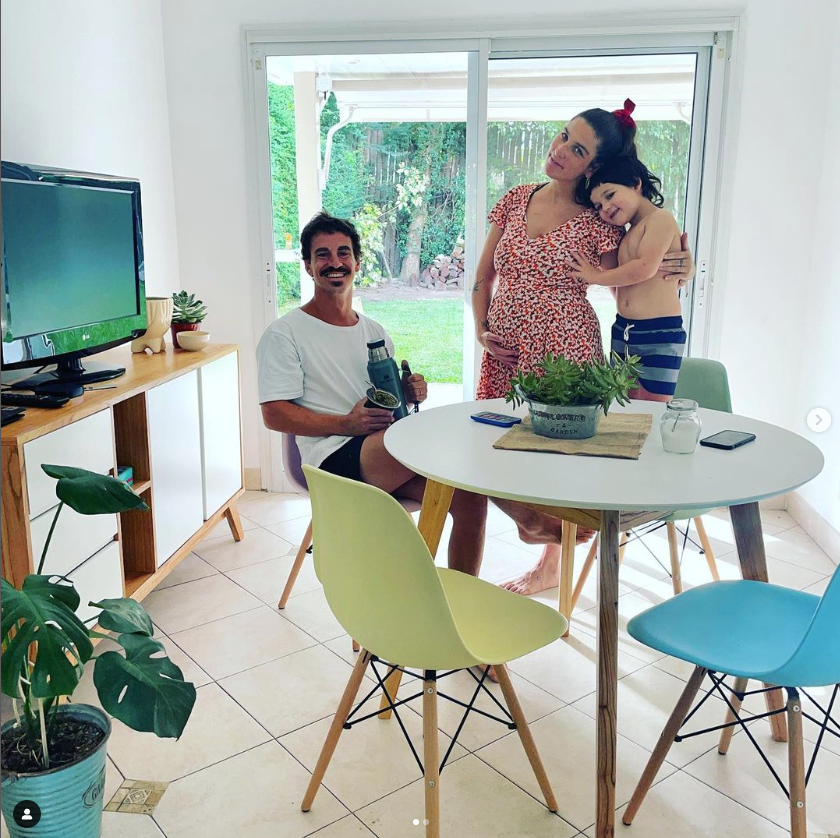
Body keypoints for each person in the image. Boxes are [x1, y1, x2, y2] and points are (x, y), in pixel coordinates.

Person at [472, 99, 693, 596]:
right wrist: (482, 329)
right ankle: (531, 521)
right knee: (490, 445)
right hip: (504, 351)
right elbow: (483, 276)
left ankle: (550, 564)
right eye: (563, 136)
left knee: (559, 455)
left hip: (565, 345)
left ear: (594, 166)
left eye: (577, 150)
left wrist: (685, 265)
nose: (559, 151)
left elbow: (638, 268)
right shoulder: (515, 198)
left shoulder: (602, 217)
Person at [257, 211, 487, 575]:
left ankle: (461, 596)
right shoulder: (285, 333)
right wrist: (346, 424)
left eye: (343, 253)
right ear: (308, 266)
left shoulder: (374, 331)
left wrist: (410, 392)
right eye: (322, 255)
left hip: (380, 450)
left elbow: (387, 398)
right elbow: (274, 415)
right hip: (329, 458)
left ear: (357, 263)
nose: (335, 263)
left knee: (470, 498)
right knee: (422, 441)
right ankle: (519, 512)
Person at [569, 154, 686, 402]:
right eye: (598, 206)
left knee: (653, 407)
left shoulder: (660, 219)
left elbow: (644, 268)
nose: (605, 208)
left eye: (609, 195)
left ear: (635, 183)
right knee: (624, 404)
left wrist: (595, 276)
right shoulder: (627, 233)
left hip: (658, 332)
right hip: (624, 329)